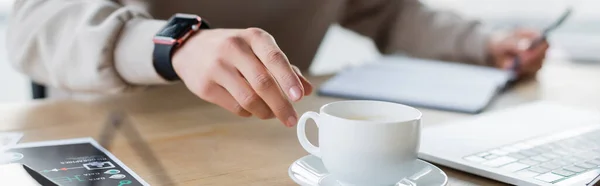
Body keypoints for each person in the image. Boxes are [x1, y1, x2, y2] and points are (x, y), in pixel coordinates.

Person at [7, 0, 549, 127]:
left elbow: (385, 9)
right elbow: (33, 21)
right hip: (125, 137)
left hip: (269, 139)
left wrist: (484, 43)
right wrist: (174, 45)